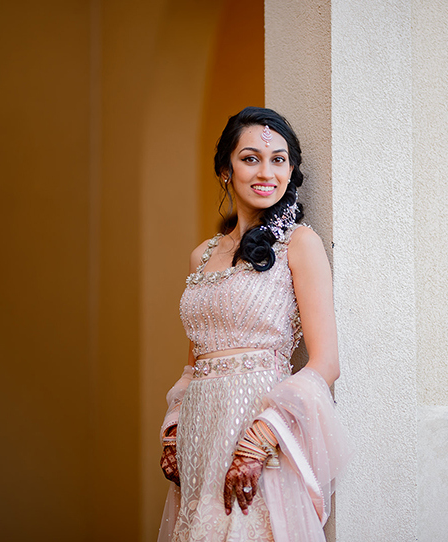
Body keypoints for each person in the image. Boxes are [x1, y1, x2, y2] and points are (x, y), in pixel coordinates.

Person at [157, 107, 352, 542]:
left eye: (278, 159)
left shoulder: (299, 245)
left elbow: (326, 362)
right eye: (250, 158)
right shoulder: (202, 255)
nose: (267, 172)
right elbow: (196, 361)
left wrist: (260, 438)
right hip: (200, 439)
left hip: (260, 435)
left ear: (290, 170)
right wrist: (173, 430)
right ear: (225, 168)